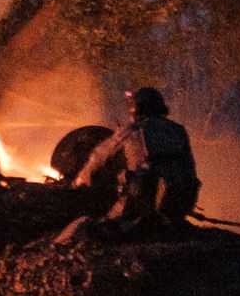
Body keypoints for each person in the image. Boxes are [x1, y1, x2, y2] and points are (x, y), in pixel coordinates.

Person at [72, 86, 201, 229]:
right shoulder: (178, 130)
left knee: (93, 227)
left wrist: (79, 180)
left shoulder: (133, 130)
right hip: (179, 206)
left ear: (136, 108)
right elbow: (189, 167)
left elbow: (99, 157)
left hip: (142, 204)